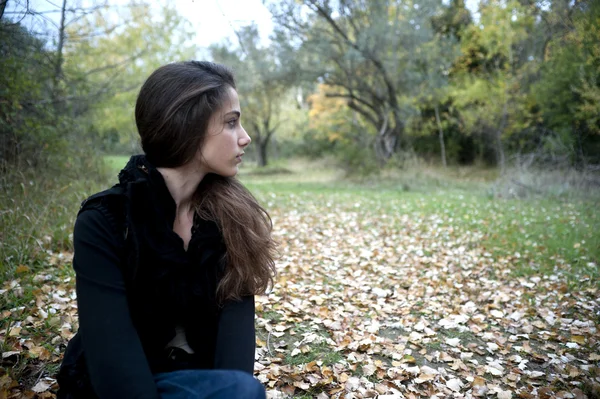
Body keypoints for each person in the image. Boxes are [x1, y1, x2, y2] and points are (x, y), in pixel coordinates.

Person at [57, 61, 277, 399]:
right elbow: (117, 378)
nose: (245, 137)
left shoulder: (234, 220)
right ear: (187, 127)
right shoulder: (106, 221)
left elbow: (235, 369)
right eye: (231, 123)